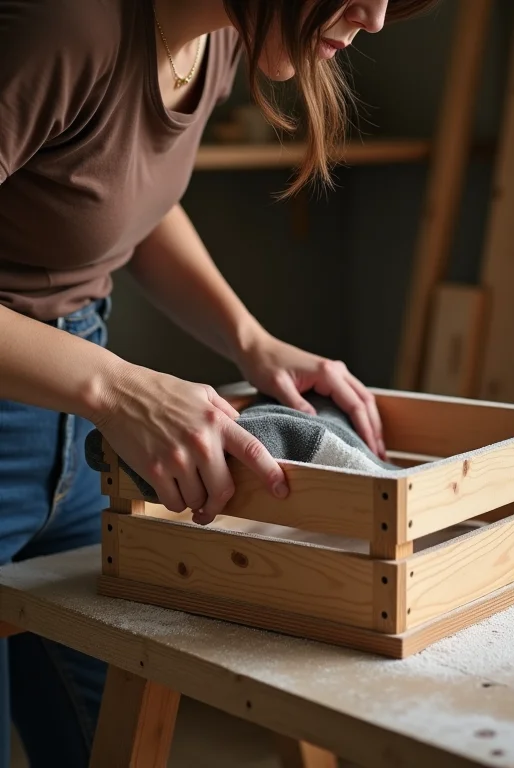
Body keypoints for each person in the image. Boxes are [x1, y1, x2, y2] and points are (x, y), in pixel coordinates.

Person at [0, 0, 436, 764]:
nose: (374, 15)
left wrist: (250, 342)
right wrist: (116, 388)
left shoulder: (221, 34)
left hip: (75, 438)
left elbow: (120, 194)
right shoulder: (64, 28)